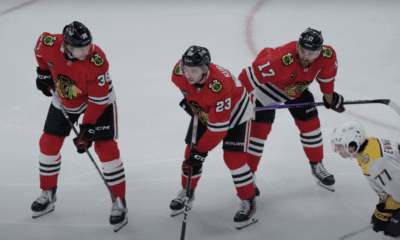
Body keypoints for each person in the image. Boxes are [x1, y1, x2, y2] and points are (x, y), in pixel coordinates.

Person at [32, 21, 127, 231]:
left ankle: (118, 202)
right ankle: (48, 193)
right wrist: (43, 72)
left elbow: (99, 100)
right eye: (80, 48)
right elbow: (39, 48)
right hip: (66, 98)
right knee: (48, 144)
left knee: (105, 148)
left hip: (98, 102)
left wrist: (87, 128)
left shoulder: (97, 61)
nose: (86, 51)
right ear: (66, 46)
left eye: (88, 46)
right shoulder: (50, 44)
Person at [238, 27, 345, 192]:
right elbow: (246, 77)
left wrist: (330, 98)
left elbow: (326, 78)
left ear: (320, 51)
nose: (305, 57)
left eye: (312, 53)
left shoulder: (327, 55)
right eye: (302, 51)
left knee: (312, 127)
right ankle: (248, 177)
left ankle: (317, 165)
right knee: (258, 136)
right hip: (266, 92)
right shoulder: (280, 59)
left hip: (297, 90)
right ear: (298, 47)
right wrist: (239, 104)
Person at [170, 45, 257, 230]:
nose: (189, 75)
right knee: (189, 154)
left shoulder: (219, 86)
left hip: (236, 111)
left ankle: (248, 200)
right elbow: (187, 89)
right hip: (206, 109)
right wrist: (191, 102)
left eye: (194, 71)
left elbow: (218, 129)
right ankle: (187, 192)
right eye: (186, 69)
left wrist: (201, 152)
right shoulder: (178, 72)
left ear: (205, 68)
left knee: (233, 159)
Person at [332, 121, 400, 239]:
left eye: (340, 146)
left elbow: (399, 192)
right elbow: (390, 186)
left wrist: (386, 211)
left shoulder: (376, 163)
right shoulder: (370, 145)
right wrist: (382, 208)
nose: (337, 150)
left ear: (352, 145)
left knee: (392, 231)